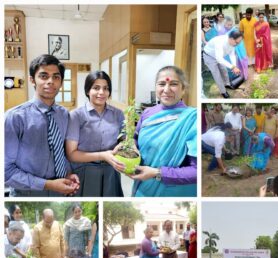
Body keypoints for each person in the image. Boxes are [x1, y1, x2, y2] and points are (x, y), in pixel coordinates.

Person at [5, 54, 80, 197]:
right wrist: (48, 184)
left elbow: (61, 151)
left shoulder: (63, 114)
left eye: (56, 77)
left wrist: (68, 173)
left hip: (61, 191)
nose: (51, 81)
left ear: (61, 82)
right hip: (28, 193)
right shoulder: (14, 117)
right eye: (44, 76)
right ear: (32, 80)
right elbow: (6, 171)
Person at [130, 66, 197, 197]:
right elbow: (135, 140)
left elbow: (196, 171)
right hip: (142, 187)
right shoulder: (147, 113)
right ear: (156, 87)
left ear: (183, 89)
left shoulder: (191, 119)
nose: (166, 90)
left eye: (173, 84)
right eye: (161, 84)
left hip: (173, 191)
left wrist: (158, 172)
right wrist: (130, 150)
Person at [66, 71, 124, 197]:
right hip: (85, 171)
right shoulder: (76, 115)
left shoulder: (118, 114)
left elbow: (123, 141)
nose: (101, 92)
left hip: (111, 171)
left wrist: (124, 146)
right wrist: (103, 155)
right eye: (96, 88)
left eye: (106, 88)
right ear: (87, 91)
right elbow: (71, 155)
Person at [203, 31, 242, 98]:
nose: (237, 44)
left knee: (224, 70)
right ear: (231, 39)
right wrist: (232, 67)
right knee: (217, 75)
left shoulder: (233, 43)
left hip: (218, 56)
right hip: (209, 56)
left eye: (239, 42)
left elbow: (232, 55)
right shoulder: (220, 42)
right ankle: (223, 91)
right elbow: (219, 59)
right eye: (237, 42)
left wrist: (234, 66)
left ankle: (227, 84)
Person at [223, 16, 249, 80]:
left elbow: (240, 43)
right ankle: (234, 77)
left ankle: (242, 76)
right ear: (224, 24)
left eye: (231, 25)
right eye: (228, 25)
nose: (230, 26)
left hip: (238, 51)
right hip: (228, 52)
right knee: (231, 64)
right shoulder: (222, 31)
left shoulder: (235, 31)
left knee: (240, 62)